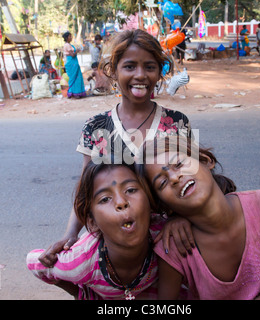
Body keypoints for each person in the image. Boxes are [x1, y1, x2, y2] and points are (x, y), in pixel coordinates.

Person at [38, 29, 193, 269]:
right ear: (114, 70)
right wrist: (71, 234)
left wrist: (181, 217)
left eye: (150, 67)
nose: (140, 75)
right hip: (115, 241)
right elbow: (86, 187)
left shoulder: (177, 122)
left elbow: (193, 183)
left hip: (169, 240)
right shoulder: (96, 127)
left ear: (159, 71)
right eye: (130, 66)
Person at [136, 136, 260, 300]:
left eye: (179, 164)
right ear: (164, 205)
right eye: (162, 183)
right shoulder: (175, 247)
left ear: (205, 160)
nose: (174, 177)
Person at [27, 162, 164, 299]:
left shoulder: (165, 237)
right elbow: (34, 263)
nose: (121, 202)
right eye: (105, 199)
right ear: (92, 223)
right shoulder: (81, 262)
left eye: (131, 190)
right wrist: (81, 293)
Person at [62, 31, 86, 98]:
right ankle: (73, 93)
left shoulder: (69, 45)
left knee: (77, 77)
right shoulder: (67, 45)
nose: (71, 37)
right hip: (71, 62)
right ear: (66, 38)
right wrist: (77, 51)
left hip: (74, 62)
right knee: (73, 78)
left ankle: (77, 92)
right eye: (70, 36)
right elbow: (72, 55)